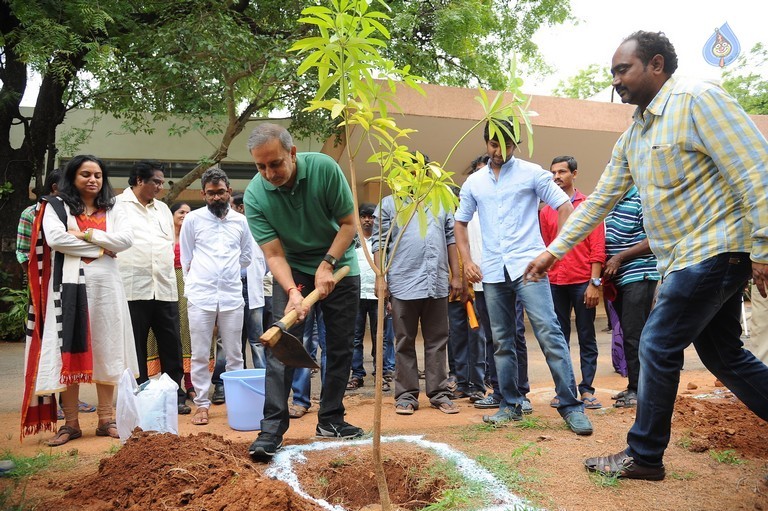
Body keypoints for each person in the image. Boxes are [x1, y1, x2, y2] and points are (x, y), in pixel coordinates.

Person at [525, 31, 768, 480]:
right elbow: (599, 202)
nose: (615, 80)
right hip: (682, 258)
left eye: (623, 69)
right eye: (613, 72)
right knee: (724, 355)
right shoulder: (634, 134)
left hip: (713, 248)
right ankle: (646, 453)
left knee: (657, 343)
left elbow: (756, 169)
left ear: (656, 64)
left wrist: (764, 247)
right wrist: (553, 252)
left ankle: (645, 455)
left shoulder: (698, 100)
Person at [454, 120, 593, 436]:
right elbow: (460, 223)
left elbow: (565, 206)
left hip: (530, 267)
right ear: (486, 143)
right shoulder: (474, 182)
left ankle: (571, 406)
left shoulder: (532, 173)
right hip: (493, 271)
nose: (499, 151)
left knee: (549, 333)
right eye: (493, 144)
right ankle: (511, 404)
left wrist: (554, 252)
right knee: (502, 341)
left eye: (506, 145)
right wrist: (467, 261)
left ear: (515, 144)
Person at [244, 123, 362, 459]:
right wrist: (292, 292)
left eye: (276, 163)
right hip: (292, 267)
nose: (269, 173)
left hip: (339, 264)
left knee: (339, 346)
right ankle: (271, 430)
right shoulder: (255, 195)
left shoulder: (324, 169)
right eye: (261, 166)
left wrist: (327, 264)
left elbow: (349, 224)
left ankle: (331, 419)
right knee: (280, 346)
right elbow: (274, 254)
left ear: (292, 153)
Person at [22, 155, 138, 445]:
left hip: (107, 288)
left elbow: (125, 240)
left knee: (107, 347)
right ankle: (71, 423)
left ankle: (106, 419)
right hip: (69, 288)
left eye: (97, 175)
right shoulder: (56, 206)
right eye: (86, 174)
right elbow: (56, 240)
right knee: (68, 351)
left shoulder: (114, 206)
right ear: (73, 177)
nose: (93, 180)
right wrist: (101, 247)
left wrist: (85, 233)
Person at [372, 174, 462, 416]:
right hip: (403, 281)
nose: (414, 178)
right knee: (404, 340)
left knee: (438, 340)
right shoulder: (389, 204)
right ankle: (406, 396)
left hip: (436, 281)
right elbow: (379, 242)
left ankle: (439, 393)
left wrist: (456, 275)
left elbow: (451, 239)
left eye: (420, 173)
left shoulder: (442, 202)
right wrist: (381, 278)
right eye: (409, 172)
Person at [16, 169, 97, 419]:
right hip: (44, 289)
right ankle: (46, 401)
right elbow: (23, 254)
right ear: (54, 188)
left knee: (70, 341)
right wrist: (39, 286)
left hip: (73, 285)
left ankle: (69, 400)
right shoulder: (32, 213)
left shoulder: (78, 211)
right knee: (46, 344)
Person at [116, 161, 190, 415]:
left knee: (172, 343)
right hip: (133, 288)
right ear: (139, 180)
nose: (160, 187)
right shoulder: (117, 206)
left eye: (161, 182)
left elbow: (167, 244)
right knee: (135, 345)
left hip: (165, 288)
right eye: (156, 182)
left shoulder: (162, 209)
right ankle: (139, 394)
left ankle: (175, 394)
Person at [180, 168, 252, 426]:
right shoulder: (193, 220)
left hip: (231, 295)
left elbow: (246, 257)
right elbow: (186, 257)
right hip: (201, 295)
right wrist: (199, 280)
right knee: (200, 353)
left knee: (235, 354)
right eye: (211, 193)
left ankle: (237, 404)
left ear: (229, 191)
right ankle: (201, 404)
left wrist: (227, 272)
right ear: (203, 194)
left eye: (220, 192)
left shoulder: (241, 222)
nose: (216, 197)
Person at [539, 156, 605, 410]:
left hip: (582, 282)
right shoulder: (547, 210)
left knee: (587, 336)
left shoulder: (588, 206)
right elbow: (545, 246)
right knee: (558, 338)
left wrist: (594, 283)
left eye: (562, 172)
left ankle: (587, 389)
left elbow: (597, 247)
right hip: (555, 282)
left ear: (574, 174)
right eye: (554, 172)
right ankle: (564, 390)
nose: (557, 176)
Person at [603, 186, 659, 408]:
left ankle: (638, 391)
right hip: (617, 276)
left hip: (639, 273)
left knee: (634, 333)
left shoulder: (641, 198)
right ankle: (635, 386)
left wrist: (619, 257)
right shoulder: (612, 201)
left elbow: (652, 240)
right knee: (629, 332)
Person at [347, 203, 395, 392]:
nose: (367, 220)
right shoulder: (352, 240)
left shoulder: (384, 241)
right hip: (356, 295)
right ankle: (357, 375)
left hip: (379, 296)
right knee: (355, 338)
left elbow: (390, 267)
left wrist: (390, 298)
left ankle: (380, 375)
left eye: (371, 217)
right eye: (364, 216)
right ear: (359, 218)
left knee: (380, 337)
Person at [170, 202, 195, 399]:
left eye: (188, 212)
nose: (185, 215)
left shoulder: (192, 236)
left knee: (189, 334)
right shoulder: (164, 236)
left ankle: (190, 384)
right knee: (171, 336)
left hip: (189, 287)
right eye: (181, 212)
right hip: (168, 286)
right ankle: (172, 385)